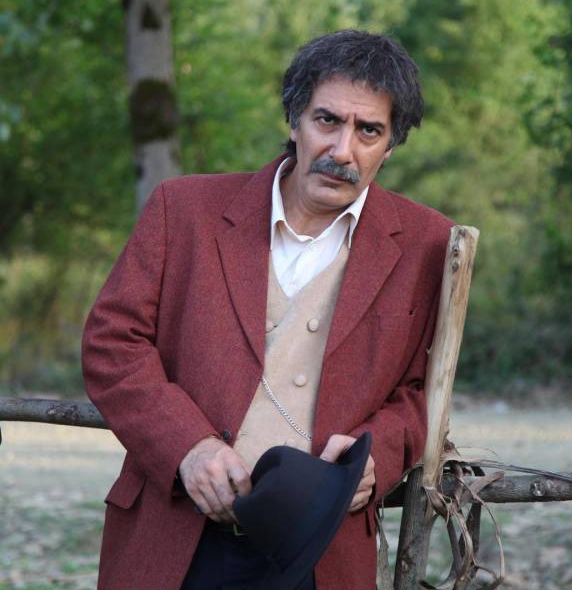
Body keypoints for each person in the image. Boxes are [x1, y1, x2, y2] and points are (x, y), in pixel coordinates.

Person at [82, 29, 452, 590]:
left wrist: (377, 456)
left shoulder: (431, 245)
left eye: (368, 131)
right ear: (294, 120)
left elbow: (422, 391)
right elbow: (112, 344)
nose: (342, 150)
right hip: (174, 538)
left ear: (391, 145)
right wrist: (187, 447)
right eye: (327, 120)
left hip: (321, 552)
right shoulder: (183, 209)